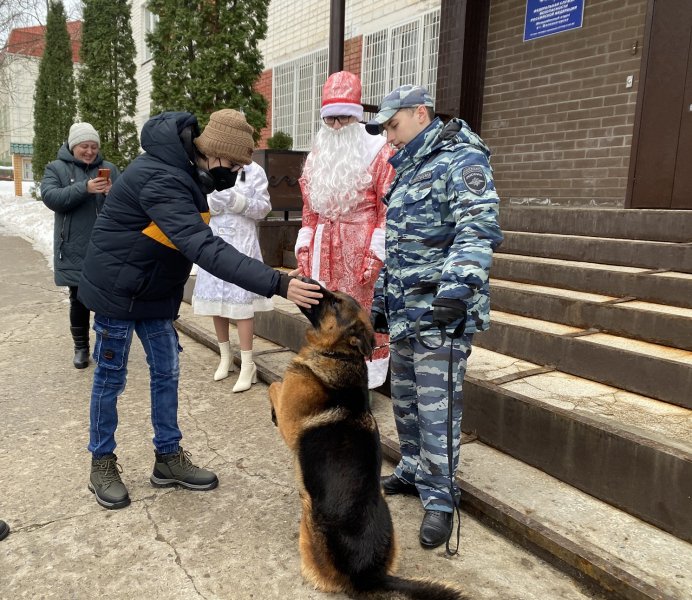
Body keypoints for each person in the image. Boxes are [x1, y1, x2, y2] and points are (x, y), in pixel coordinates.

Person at [78, 109, 322, 510]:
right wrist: (277, 282)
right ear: (215, 152)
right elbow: (202, 246)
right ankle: (101, 461)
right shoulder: (162, 177)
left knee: (167, 370)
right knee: (111, 376)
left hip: (154, 289)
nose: (236, 172)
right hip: (118, 292)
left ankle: (168, 457)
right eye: (235, 164)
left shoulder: (187, 171)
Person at [365, 85, 503, 548]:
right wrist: (382, 300)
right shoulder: (409, 168)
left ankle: (441, 498)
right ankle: (410, 468)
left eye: (393, 124)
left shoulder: (461, 159)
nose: (388, 136)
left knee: (436, 408)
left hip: (441, 312)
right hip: (406, 310)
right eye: (384, 128)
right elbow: (398, 245)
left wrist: (457, 290)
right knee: (404, 398)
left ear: (420, 113)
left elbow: (477, 228)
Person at [296, 71, 395, 389]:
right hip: (323, 250)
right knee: (327, 313)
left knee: (360, 315)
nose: (336, 126)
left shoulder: (379, 151)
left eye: (343, 118)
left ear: (355, 116)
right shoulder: (316, 156)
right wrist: (304, 247)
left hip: (360, 250)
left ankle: (364, 384)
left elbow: (387, 208)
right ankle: (333, 374)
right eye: (330, 119)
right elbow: (309, 209)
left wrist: (376, 253)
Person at [41, 122, 119, 369]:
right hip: (73, 246)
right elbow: (51, 197)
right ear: (73, 146)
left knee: (107, 300)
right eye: (84, 146)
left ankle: (106, 346)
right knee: (79, 299)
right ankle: (81, 347)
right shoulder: (56, 168)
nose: (89, 151)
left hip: (106, 247)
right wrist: (84, 188)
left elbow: (128, 202)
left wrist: (112, 193)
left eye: (94, 147)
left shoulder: (109, 169)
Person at [192, 160, 273, 391]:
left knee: (242, 305)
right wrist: (213, 203)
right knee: (218, 304)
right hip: (216, 239)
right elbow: (201, 204)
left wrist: (237, 201)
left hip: (242, 240)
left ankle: (248, 363)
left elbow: (263, 207)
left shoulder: (253, 170)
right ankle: (225, 355)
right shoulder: (209, 167)